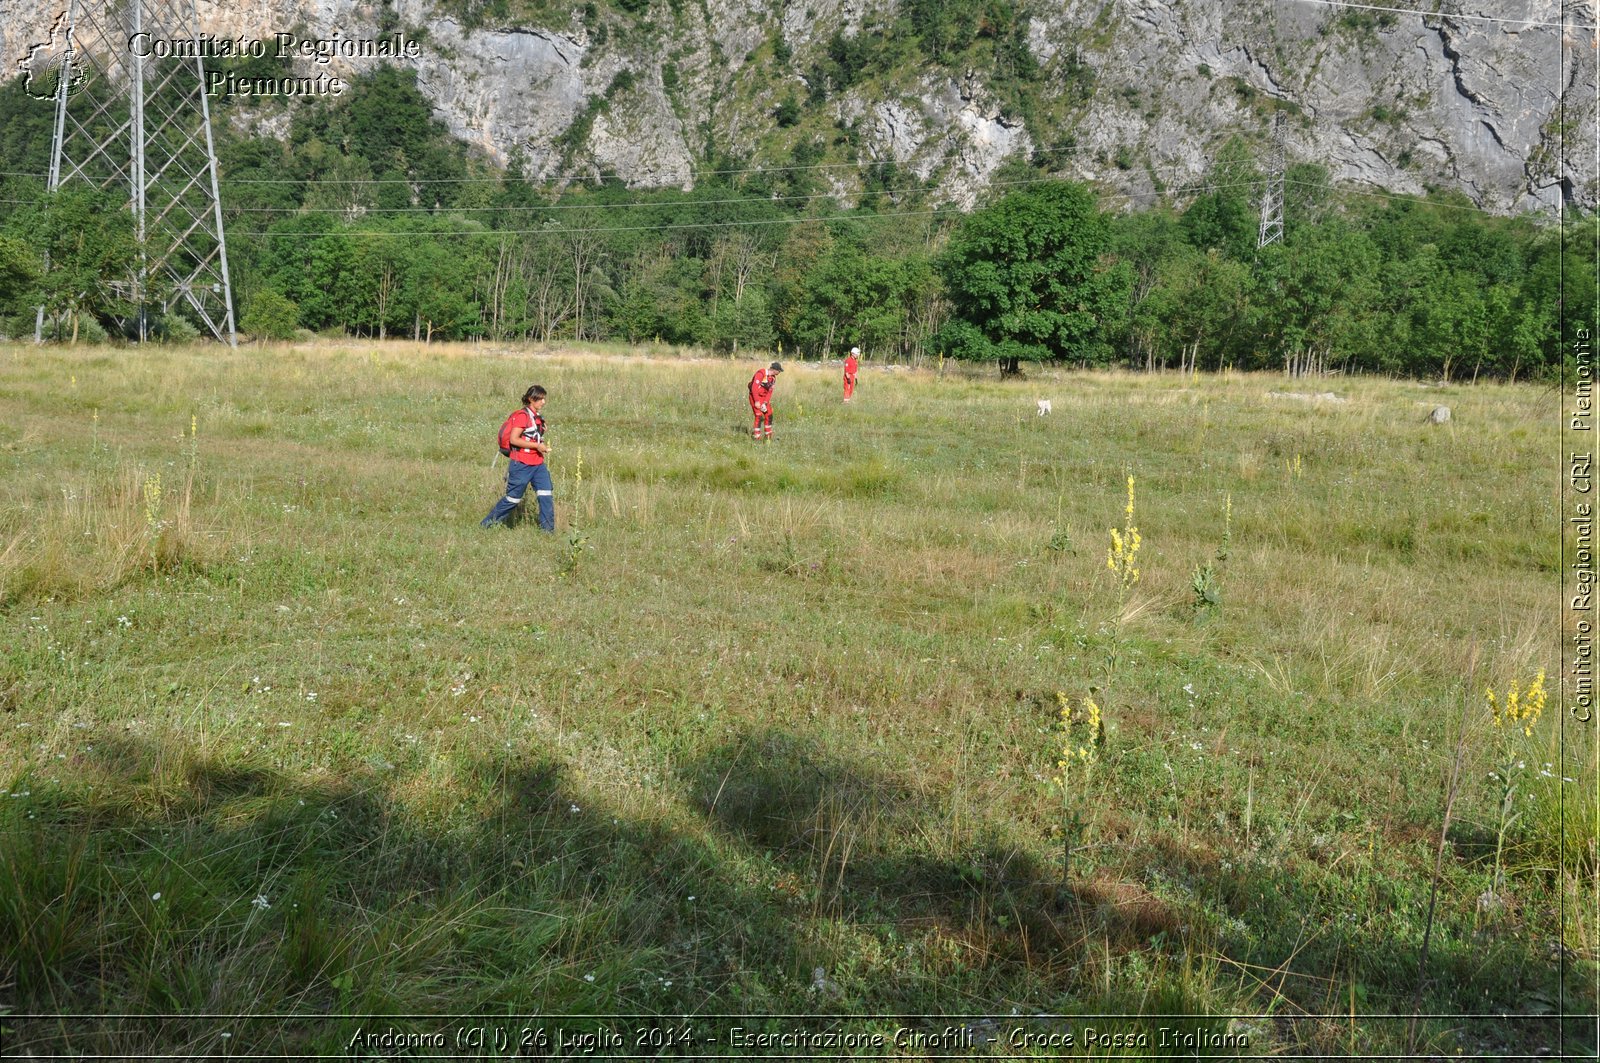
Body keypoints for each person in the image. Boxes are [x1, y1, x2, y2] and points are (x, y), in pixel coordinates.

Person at [482, 385, 554, 531]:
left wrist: (542, 440)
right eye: (540, 398)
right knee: (513, 499)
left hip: (538, 463)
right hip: (521, 463)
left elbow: (532, 436)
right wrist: (537, 446)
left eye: (544, 398)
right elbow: (514, 440)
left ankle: (548, 533)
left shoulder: (537, 417)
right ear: (530, 399)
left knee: (546, 495)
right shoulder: (522, 416)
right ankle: (486, 526)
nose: (543, 402)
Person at [748, 361, 783, 440]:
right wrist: (756, 401)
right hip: (755, 396)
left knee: (769, 414)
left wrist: (765, 403)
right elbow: (754, 388)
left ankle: (768, 436)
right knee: (759, 416)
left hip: (764, 399)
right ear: (775, 370)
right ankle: (756, 437)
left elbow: (770, 392)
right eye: (779, 371)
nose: (780, 372)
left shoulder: (773, 378)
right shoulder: (761, 373)